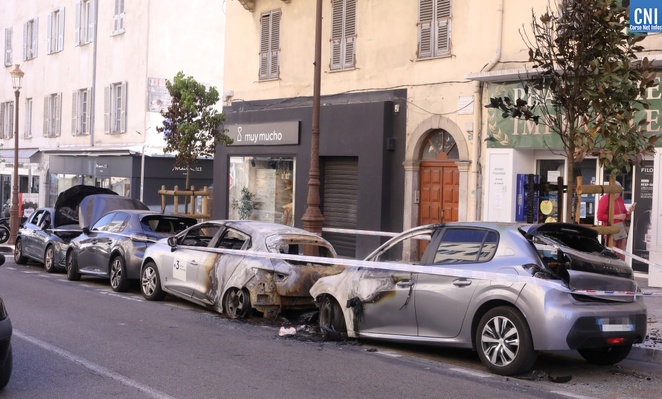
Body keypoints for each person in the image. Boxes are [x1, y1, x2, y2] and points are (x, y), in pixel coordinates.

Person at [597, 181, 634, 259]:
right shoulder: (604, 199)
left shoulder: (620, 199)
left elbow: (624, 215)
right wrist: (617, 217)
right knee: (611, 253)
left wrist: (629, 212)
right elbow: (600, 216)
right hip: (610, 230)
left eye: (620, 192)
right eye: (617, 192)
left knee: (621, 253)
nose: (619, 194)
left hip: (621, 229)